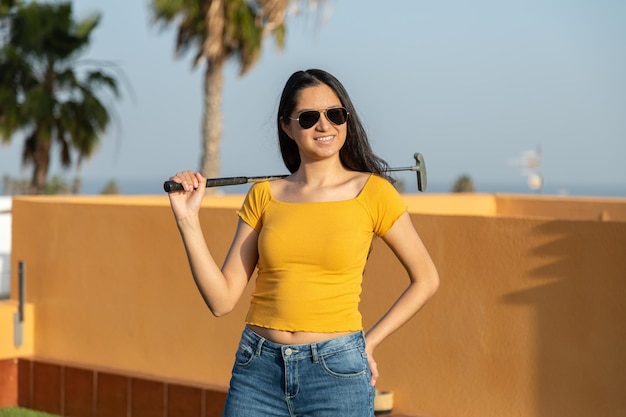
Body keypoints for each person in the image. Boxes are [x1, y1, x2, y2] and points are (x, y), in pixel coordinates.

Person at [168, 69, 439, 417]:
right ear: (287, 126)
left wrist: (368, 343)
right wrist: (187, 220)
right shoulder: (264, 195)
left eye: (335, 114)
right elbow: (221, 300)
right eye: (309, 118)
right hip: (257, 371)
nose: (324, 126)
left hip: (337, 373)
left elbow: (426, 278)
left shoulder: (374, 193)